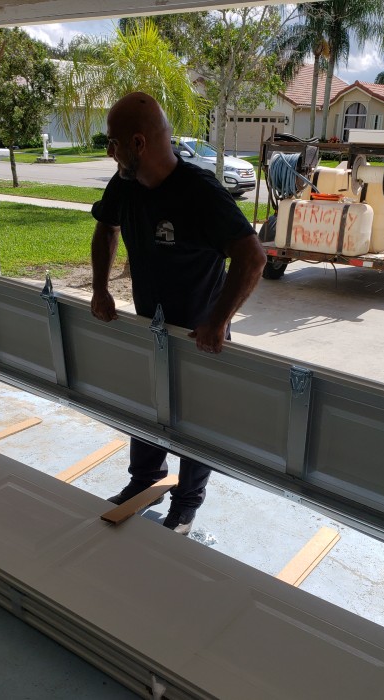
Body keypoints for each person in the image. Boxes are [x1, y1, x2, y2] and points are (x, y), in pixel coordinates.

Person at [90, 92, 266, 534]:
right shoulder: (124, 184)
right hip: (150, 327)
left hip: (198, 335)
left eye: (113, 142)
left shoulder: (199, 192)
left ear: (138, 143)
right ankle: (145, 482)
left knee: (195, 423)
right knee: (148, 406)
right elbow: (106, 229)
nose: (109, 151)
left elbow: (252, 257)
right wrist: (100, 289)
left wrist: (218, 321)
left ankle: (185, 505)